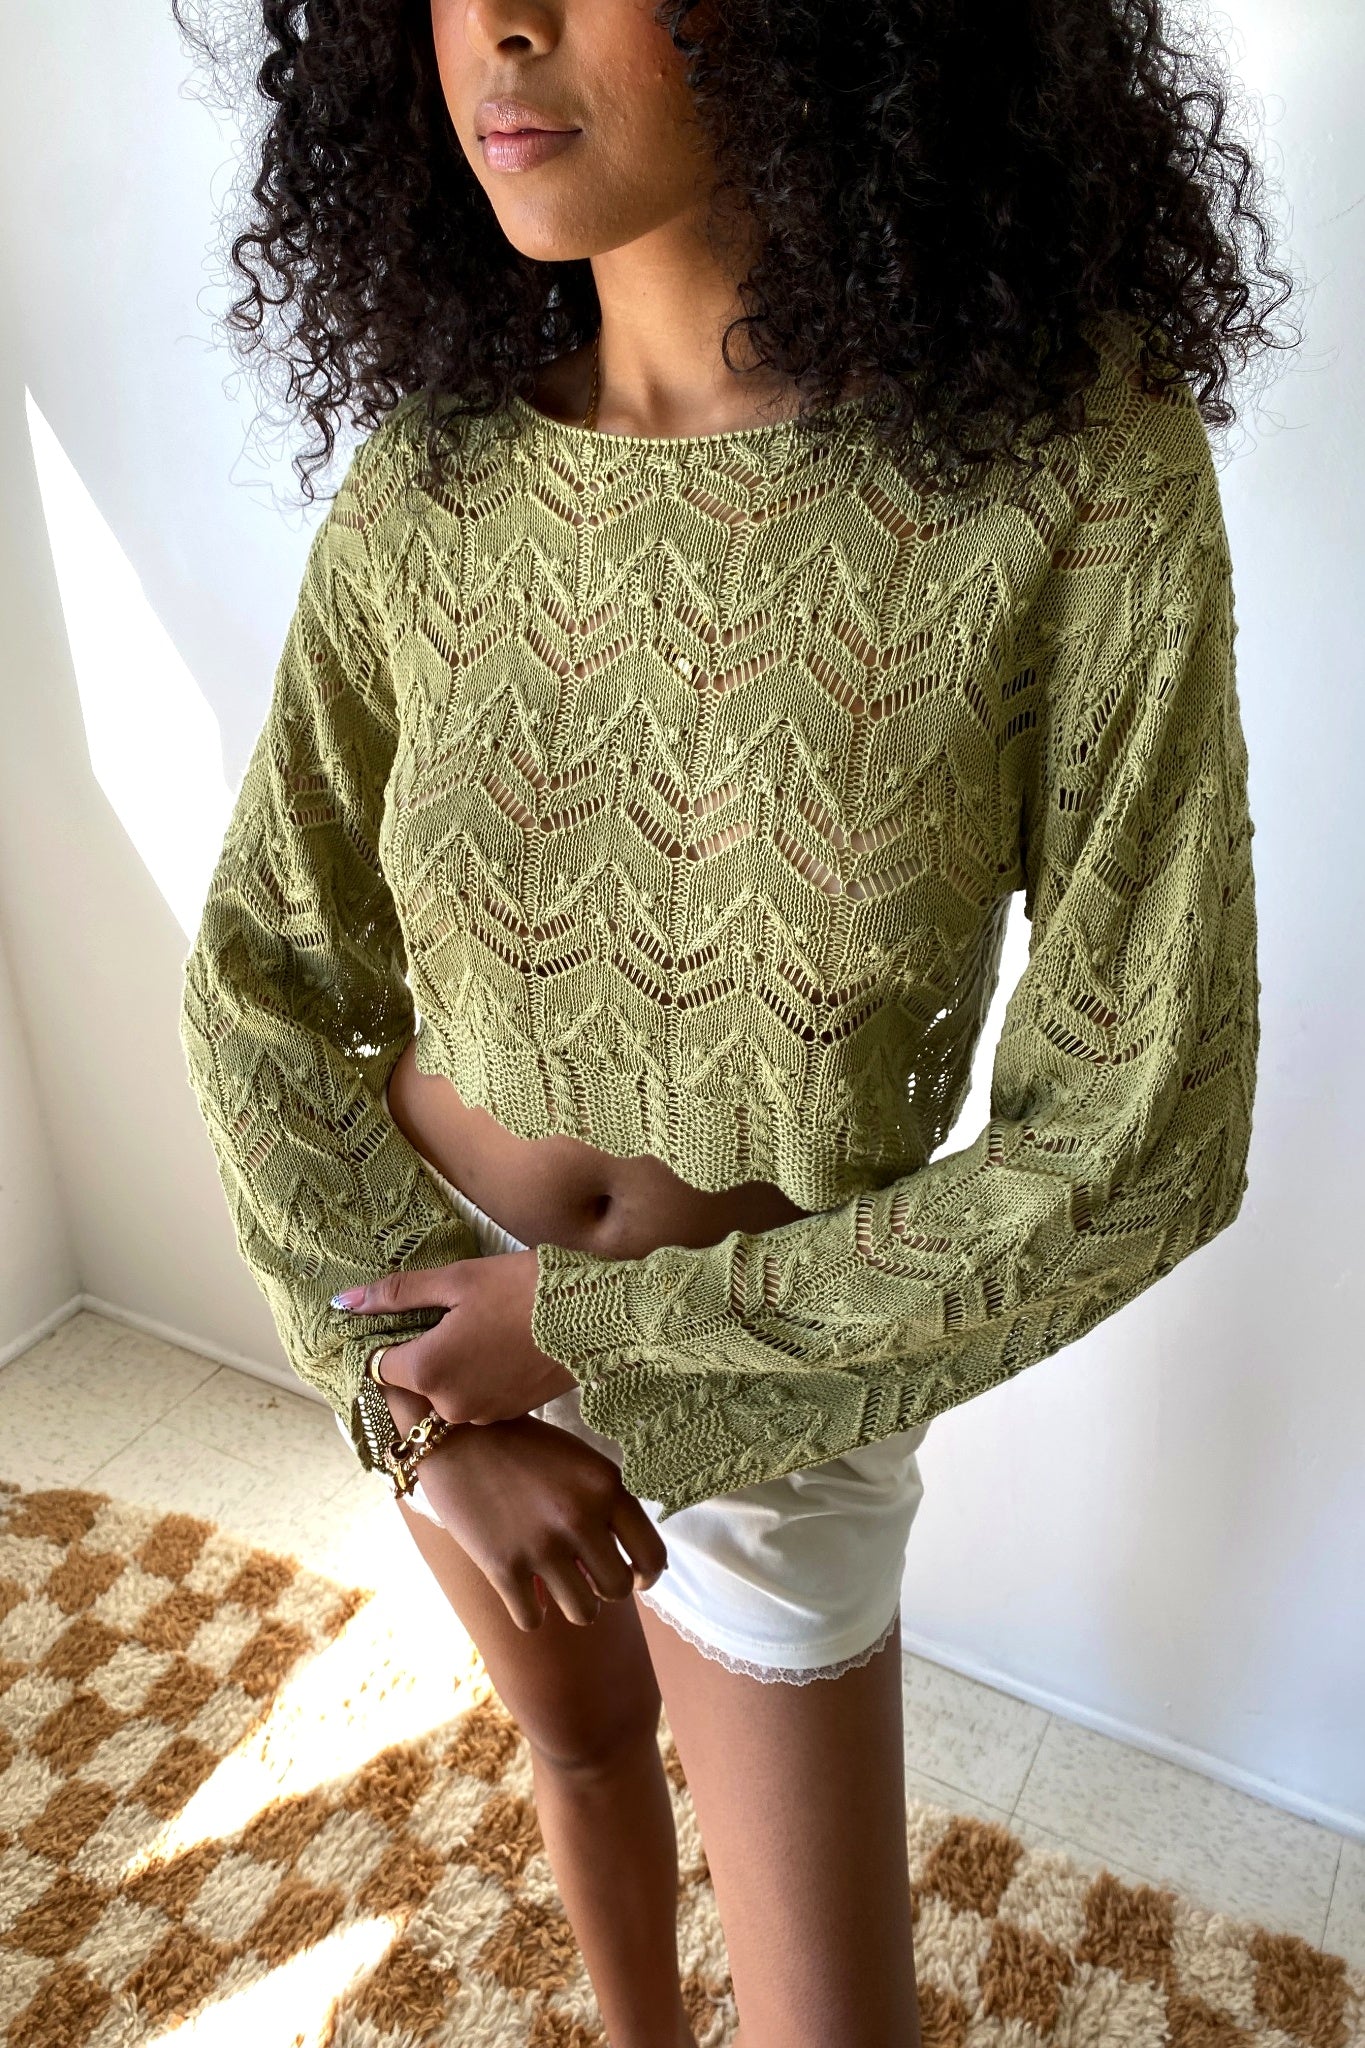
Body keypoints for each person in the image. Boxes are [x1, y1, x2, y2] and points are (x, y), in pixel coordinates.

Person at [175, 2, 1293, 2042]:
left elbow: (1144, 1121)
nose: (498, 29)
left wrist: (584, 1336)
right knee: (581, 1748)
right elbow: (261, 967)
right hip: (425, 1302)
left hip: (774, 1370)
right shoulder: (429, 478)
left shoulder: (1062, 470)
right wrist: (422, 1390)